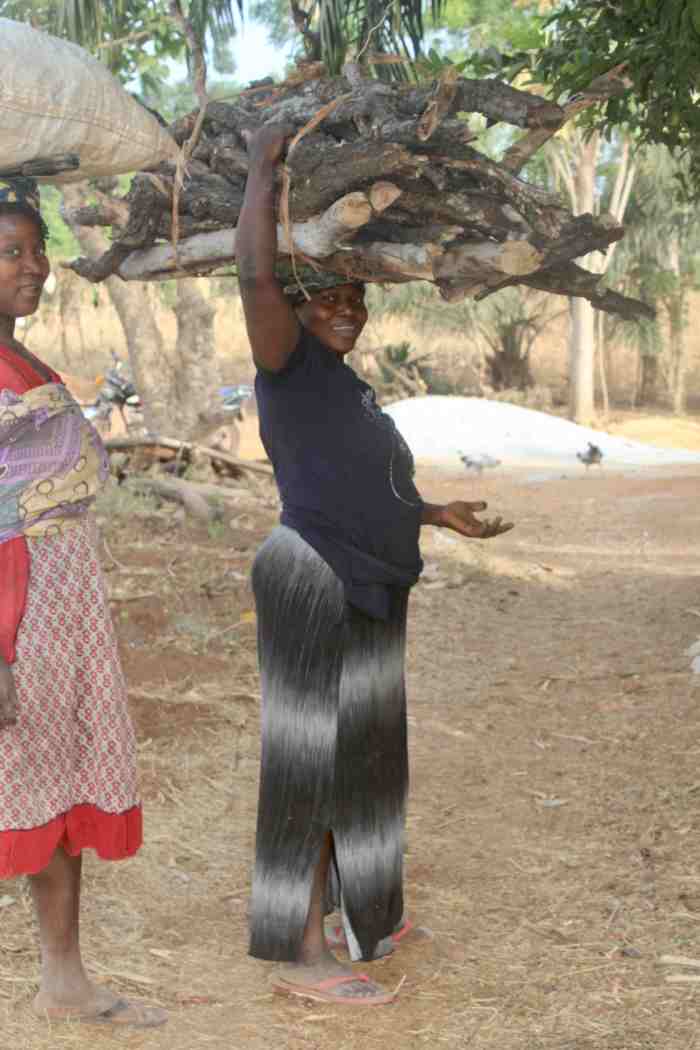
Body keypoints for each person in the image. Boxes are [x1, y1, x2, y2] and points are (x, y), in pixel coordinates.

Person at [236, 126, 514, 1007]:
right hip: (313, 580)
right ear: (302, 306)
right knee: (309, 766)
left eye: (359, 299)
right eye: (330, 299)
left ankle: (370, 919)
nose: (349, 310)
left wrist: (436, 513)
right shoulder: (288, 366)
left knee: (369, 762)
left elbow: (353, 484)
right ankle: (297, 954)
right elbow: (254, 278)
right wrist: (261, 167)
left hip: (370, 587)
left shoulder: (348, 388)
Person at [0, 177, 166, 1028]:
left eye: (38, 250)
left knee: (55, 783)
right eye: (12, 252)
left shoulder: (24, 361)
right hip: (14, 607)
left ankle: (64, 977)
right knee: (18, 786)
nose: (37, 267)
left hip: (60, 598)